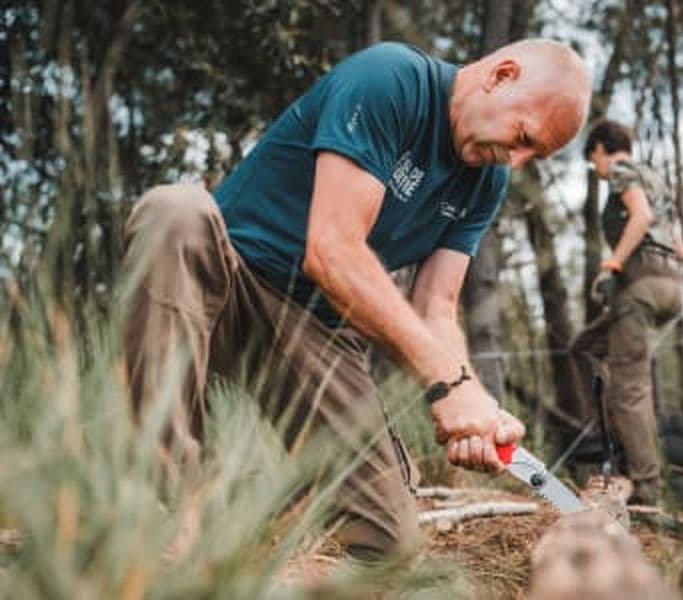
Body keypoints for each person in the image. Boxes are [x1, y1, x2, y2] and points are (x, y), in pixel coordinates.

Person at [122, 39, 590, 558]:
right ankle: (163, 511)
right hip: (227, 284)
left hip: (317, 327)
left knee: (388, 545)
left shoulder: (486, 180)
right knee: (175, 212)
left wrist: (473, 404)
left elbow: (436, 306)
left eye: (534, 155)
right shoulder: (391, 79)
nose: (517, 160)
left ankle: (266, 512)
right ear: (501, 75)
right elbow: (332, 250)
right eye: (522, 136)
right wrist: (447, 379)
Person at [570, 119, 683, 505]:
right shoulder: (656, 178)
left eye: (593, 161)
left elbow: (641, 218)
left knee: (630, 391)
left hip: (640, 288)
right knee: (584, 346)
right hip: (670, 285)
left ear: (601, 149)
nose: (597, 169)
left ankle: (647, 487)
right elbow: (679, 247)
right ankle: (615, 437)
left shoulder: (622, 170)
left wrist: (612, 265)